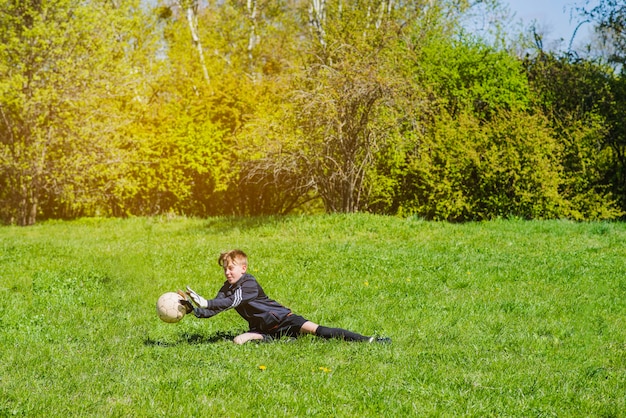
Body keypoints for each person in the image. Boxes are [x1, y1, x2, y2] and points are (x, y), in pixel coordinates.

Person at [178, 249, 391, 345]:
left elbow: (231, 302)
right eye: (225, 269)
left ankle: (368, 340)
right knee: (237, 341)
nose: (227, 272)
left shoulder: (249, 283)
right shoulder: (227, 287)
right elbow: (216, 308)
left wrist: (206, 301)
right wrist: (193, 309)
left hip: (284, 320)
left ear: (243, 268)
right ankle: (275, 339)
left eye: (231, 268)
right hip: (262, 328)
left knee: (318, 330)